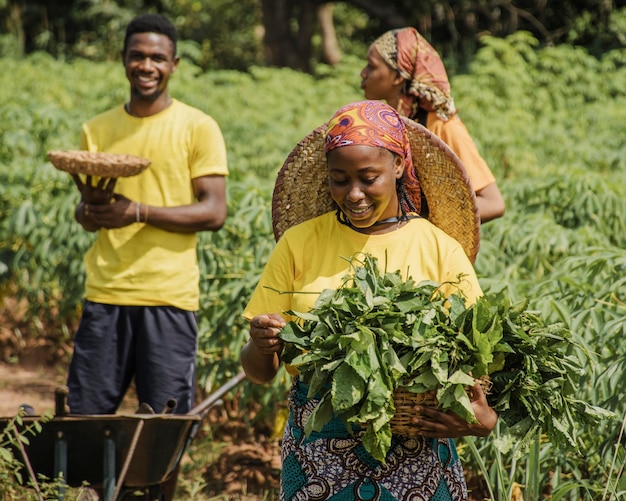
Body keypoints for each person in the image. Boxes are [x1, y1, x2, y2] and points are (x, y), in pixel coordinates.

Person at [240, 100, 497, 500]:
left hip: (416, 452)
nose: (354, 193)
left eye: (368, 178)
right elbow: (260, 371)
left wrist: (480, 418)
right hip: (318, 448)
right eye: (339, 180)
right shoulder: (299, 244)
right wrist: (261, 344)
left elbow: (478, 362)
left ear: (397, 167)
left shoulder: (438, 248)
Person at [66, 13, 229, 417]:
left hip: (168, 296)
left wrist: (137, 211)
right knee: (86, 417)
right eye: (137, 56)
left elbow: (213, 211)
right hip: (105, 293)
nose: (147, 66)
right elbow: (88, 218)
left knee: (165, 424)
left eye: (158, 58)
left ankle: (151, 485)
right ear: (123, 59)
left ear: (174, 64)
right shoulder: (98, 130)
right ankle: (96, 485)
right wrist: (90, 210)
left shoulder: (198, 127)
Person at [360, 27, 505, 223]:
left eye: (371, 66)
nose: (363, 73)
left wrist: (420, 223)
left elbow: (493, 203)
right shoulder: (385, 124)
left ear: (397, 77)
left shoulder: (442, 126)